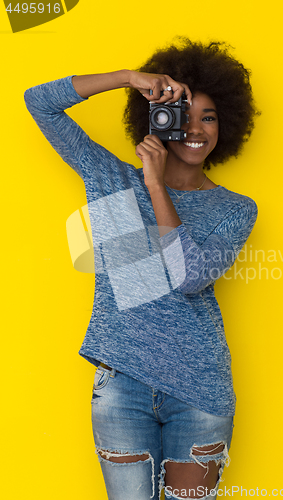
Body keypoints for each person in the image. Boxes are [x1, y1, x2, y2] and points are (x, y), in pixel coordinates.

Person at [24, 38, 259, 500]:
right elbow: (38, 103)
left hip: (198, 390)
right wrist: (130, 79)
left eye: (208, 117)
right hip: (121, 386)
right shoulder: (109, 178)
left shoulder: (236, 209)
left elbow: (190, 277)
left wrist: (155, 184)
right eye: (183, 115)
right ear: (157, 119)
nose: (196, 128)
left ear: (225, 125)